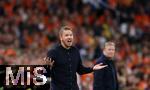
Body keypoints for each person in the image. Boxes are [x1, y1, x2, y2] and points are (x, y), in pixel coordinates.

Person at [44, 26, 107, 90]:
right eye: (66, 35)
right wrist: (48, 67)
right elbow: (45, 73)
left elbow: (80, 70)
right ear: (61, 38)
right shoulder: (53, 52)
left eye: (71, 35)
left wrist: (93, 68)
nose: (69, 37)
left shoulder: (75, 51)